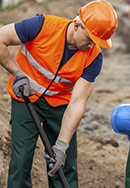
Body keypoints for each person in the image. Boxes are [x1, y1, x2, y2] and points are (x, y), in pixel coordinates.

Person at [0, 0, 118, 187]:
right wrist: (17, 73)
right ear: (77, 25)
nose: (92, 46)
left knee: (63, 163)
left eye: (97, 43)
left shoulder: (94, 57)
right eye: (90, 39)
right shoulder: (41, 26)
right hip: (26, 98)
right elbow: (1, 38)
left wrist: (62, 145)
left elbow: (77, 103)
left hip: (59, 107)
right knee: (21, 160)